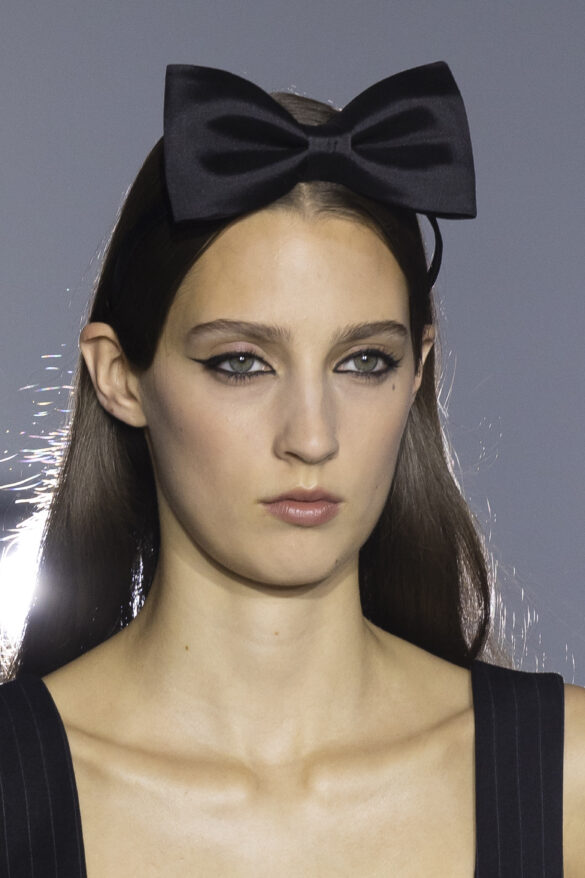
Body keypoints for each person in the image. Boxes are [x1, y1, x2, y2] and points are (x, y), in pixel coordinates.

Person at [0, 61, 583, 876]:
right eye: (241, 362)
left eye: (363, 362)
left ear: (418, 371)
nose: (311, 438)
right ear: (119, 377)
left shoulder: (568, 779)